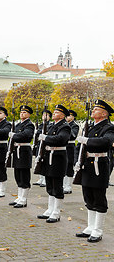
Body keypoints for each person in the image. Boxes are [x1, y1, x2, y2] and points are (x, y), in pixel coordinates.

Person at [75, 99, 114, 243]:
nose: (93, 111)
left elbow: (105, 142)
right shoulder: (90, 127)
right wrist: (77, 161)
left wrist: (86, 141)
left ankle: (98, 230)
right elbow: (79, 147)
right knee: (88, 197)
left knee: (99, 198)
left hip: (99, 166)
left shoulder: (108, 127)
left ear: (104, 114)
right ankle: (90, 227)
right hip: (87, 165)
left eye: (96, 109)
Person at [37, 105, 70, 223]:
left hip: (58, 158)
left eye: (57, 112)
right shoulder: (51, 125)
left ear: (63, 115)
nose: (54, 113)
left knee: (57, 186)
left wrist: (45, 137)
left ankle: (56, 212)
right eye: (54, 111)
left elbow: (60, 139)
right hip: (48, 157)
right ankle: (50, 209)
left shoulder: (65, 127)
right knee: (49, 185)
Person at [8, 105, 35, 208]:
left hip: (24, 151)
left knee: (24, 176)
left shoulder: (29, 125)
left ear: (28, 114)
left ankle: (24, 199)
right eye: (21, 112)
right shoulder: (18, 124)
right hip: (17, 151)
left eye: (24, 112)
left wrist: (14, 135)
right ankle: (19, 197)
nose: (22, 114)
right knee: (17, 175)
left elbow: (26, 135)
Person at [33, 110, 53, 187]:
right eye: (43, 115)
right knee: (38, 160)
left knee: (44, 161)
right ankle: (40, 178)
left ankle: (44, 179)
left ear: (49, 117)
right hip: (39, 144)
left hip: (45, 145)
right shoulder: (41, 125)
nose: (44, 116)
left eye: (46, 115)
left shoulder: (49, 125)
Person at [64, 110, 80, 194]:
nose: (67, 117)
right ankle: (63, 184)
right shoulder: (63, 125)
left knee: (69, 166)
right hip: (63, 146)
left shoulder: (74, 126)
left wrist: (67, 127)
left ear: (73, 117)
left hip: (70, 147)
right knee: (63, 166)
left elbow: (73, 136)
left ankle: (68, 186)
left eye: (69, 116)